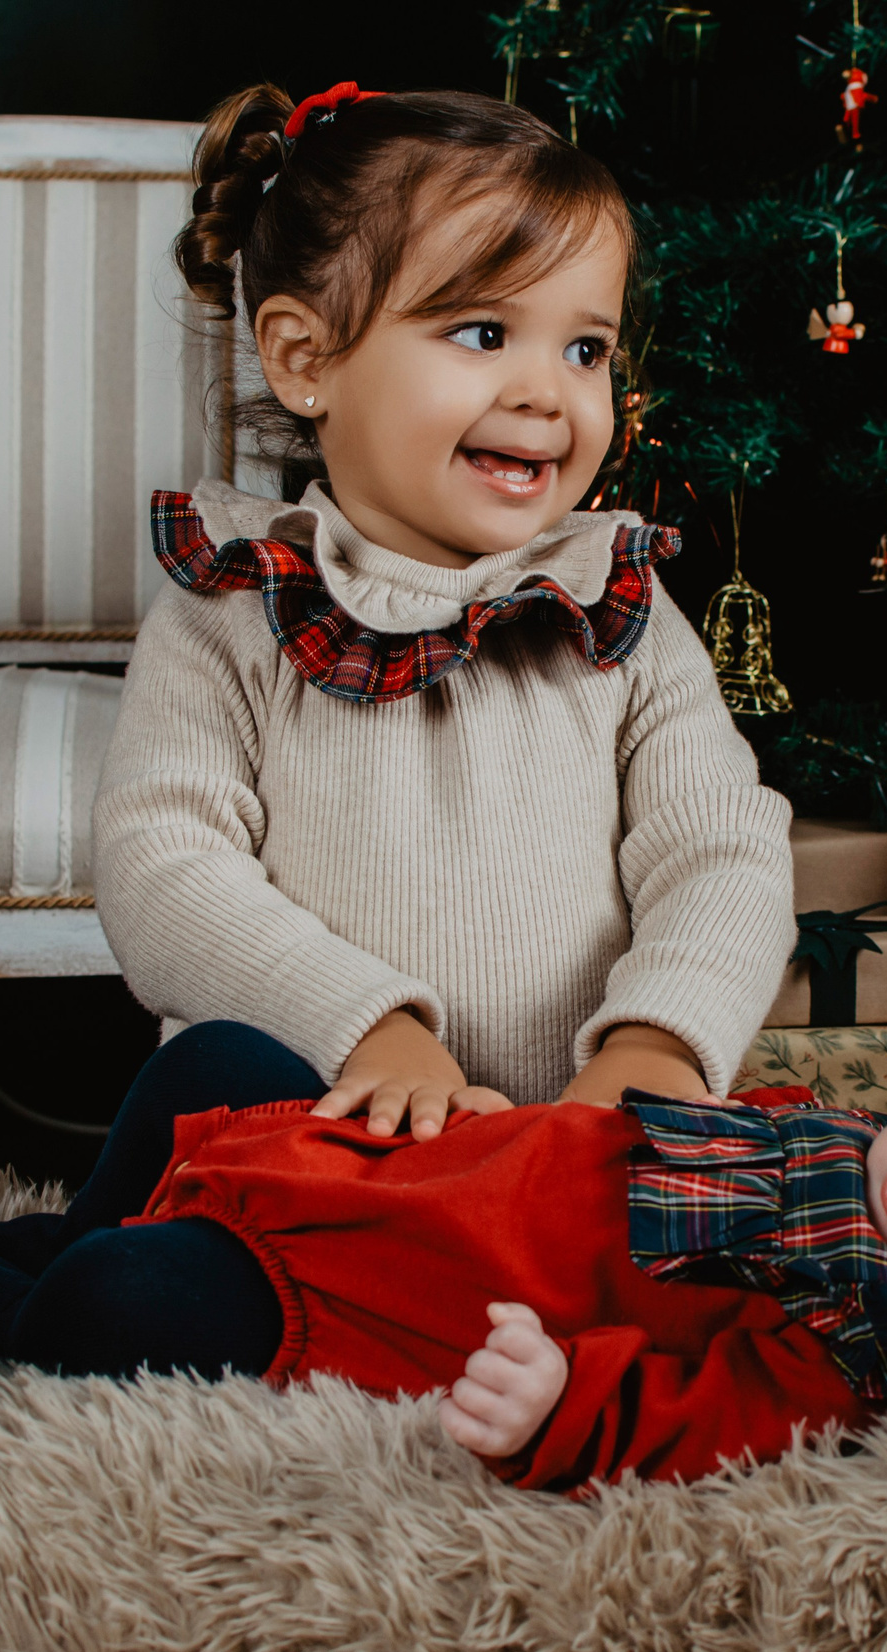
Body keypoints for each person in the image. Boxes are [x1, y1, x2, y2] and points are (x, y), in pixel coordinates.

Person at [94, 79, 794, 1177]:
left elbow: (721, 851)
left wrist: (656, 1038)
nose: (549, 394)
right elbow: (164, 870)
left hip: (575, 1143)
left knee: (721, 1282)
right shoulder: (236, 607)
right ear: (304, 357)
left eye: (586, 350)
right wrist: (365, 1026)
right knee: (188, 1219)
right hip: (324, 1135)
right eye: (483, 331)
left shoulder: (615, 608)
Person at [0, 1023, 887, 1493]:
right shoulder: (849, 1146)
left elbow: (692, 1424)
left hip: (372, 1294)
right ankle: (91, 1214)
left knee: (130, 1303)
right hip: (412, 1175)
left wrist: (554, 1402)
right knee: (211, 1059)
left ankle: (30, 1301)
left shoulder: (848, 1344)